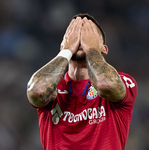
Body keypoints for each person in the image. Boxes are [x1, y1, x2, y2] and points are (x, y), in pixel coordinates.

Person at [27, 13, 137, 150]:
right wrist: (66, 51)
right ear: (63, 44)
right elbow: (36, 91)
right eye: (75, 34)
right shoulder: (53, 87)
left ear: (103, 49)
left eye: (89, 35)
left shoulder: (122, 81)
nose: (81, 40)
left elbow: (105, 84)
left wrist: (92, 49)